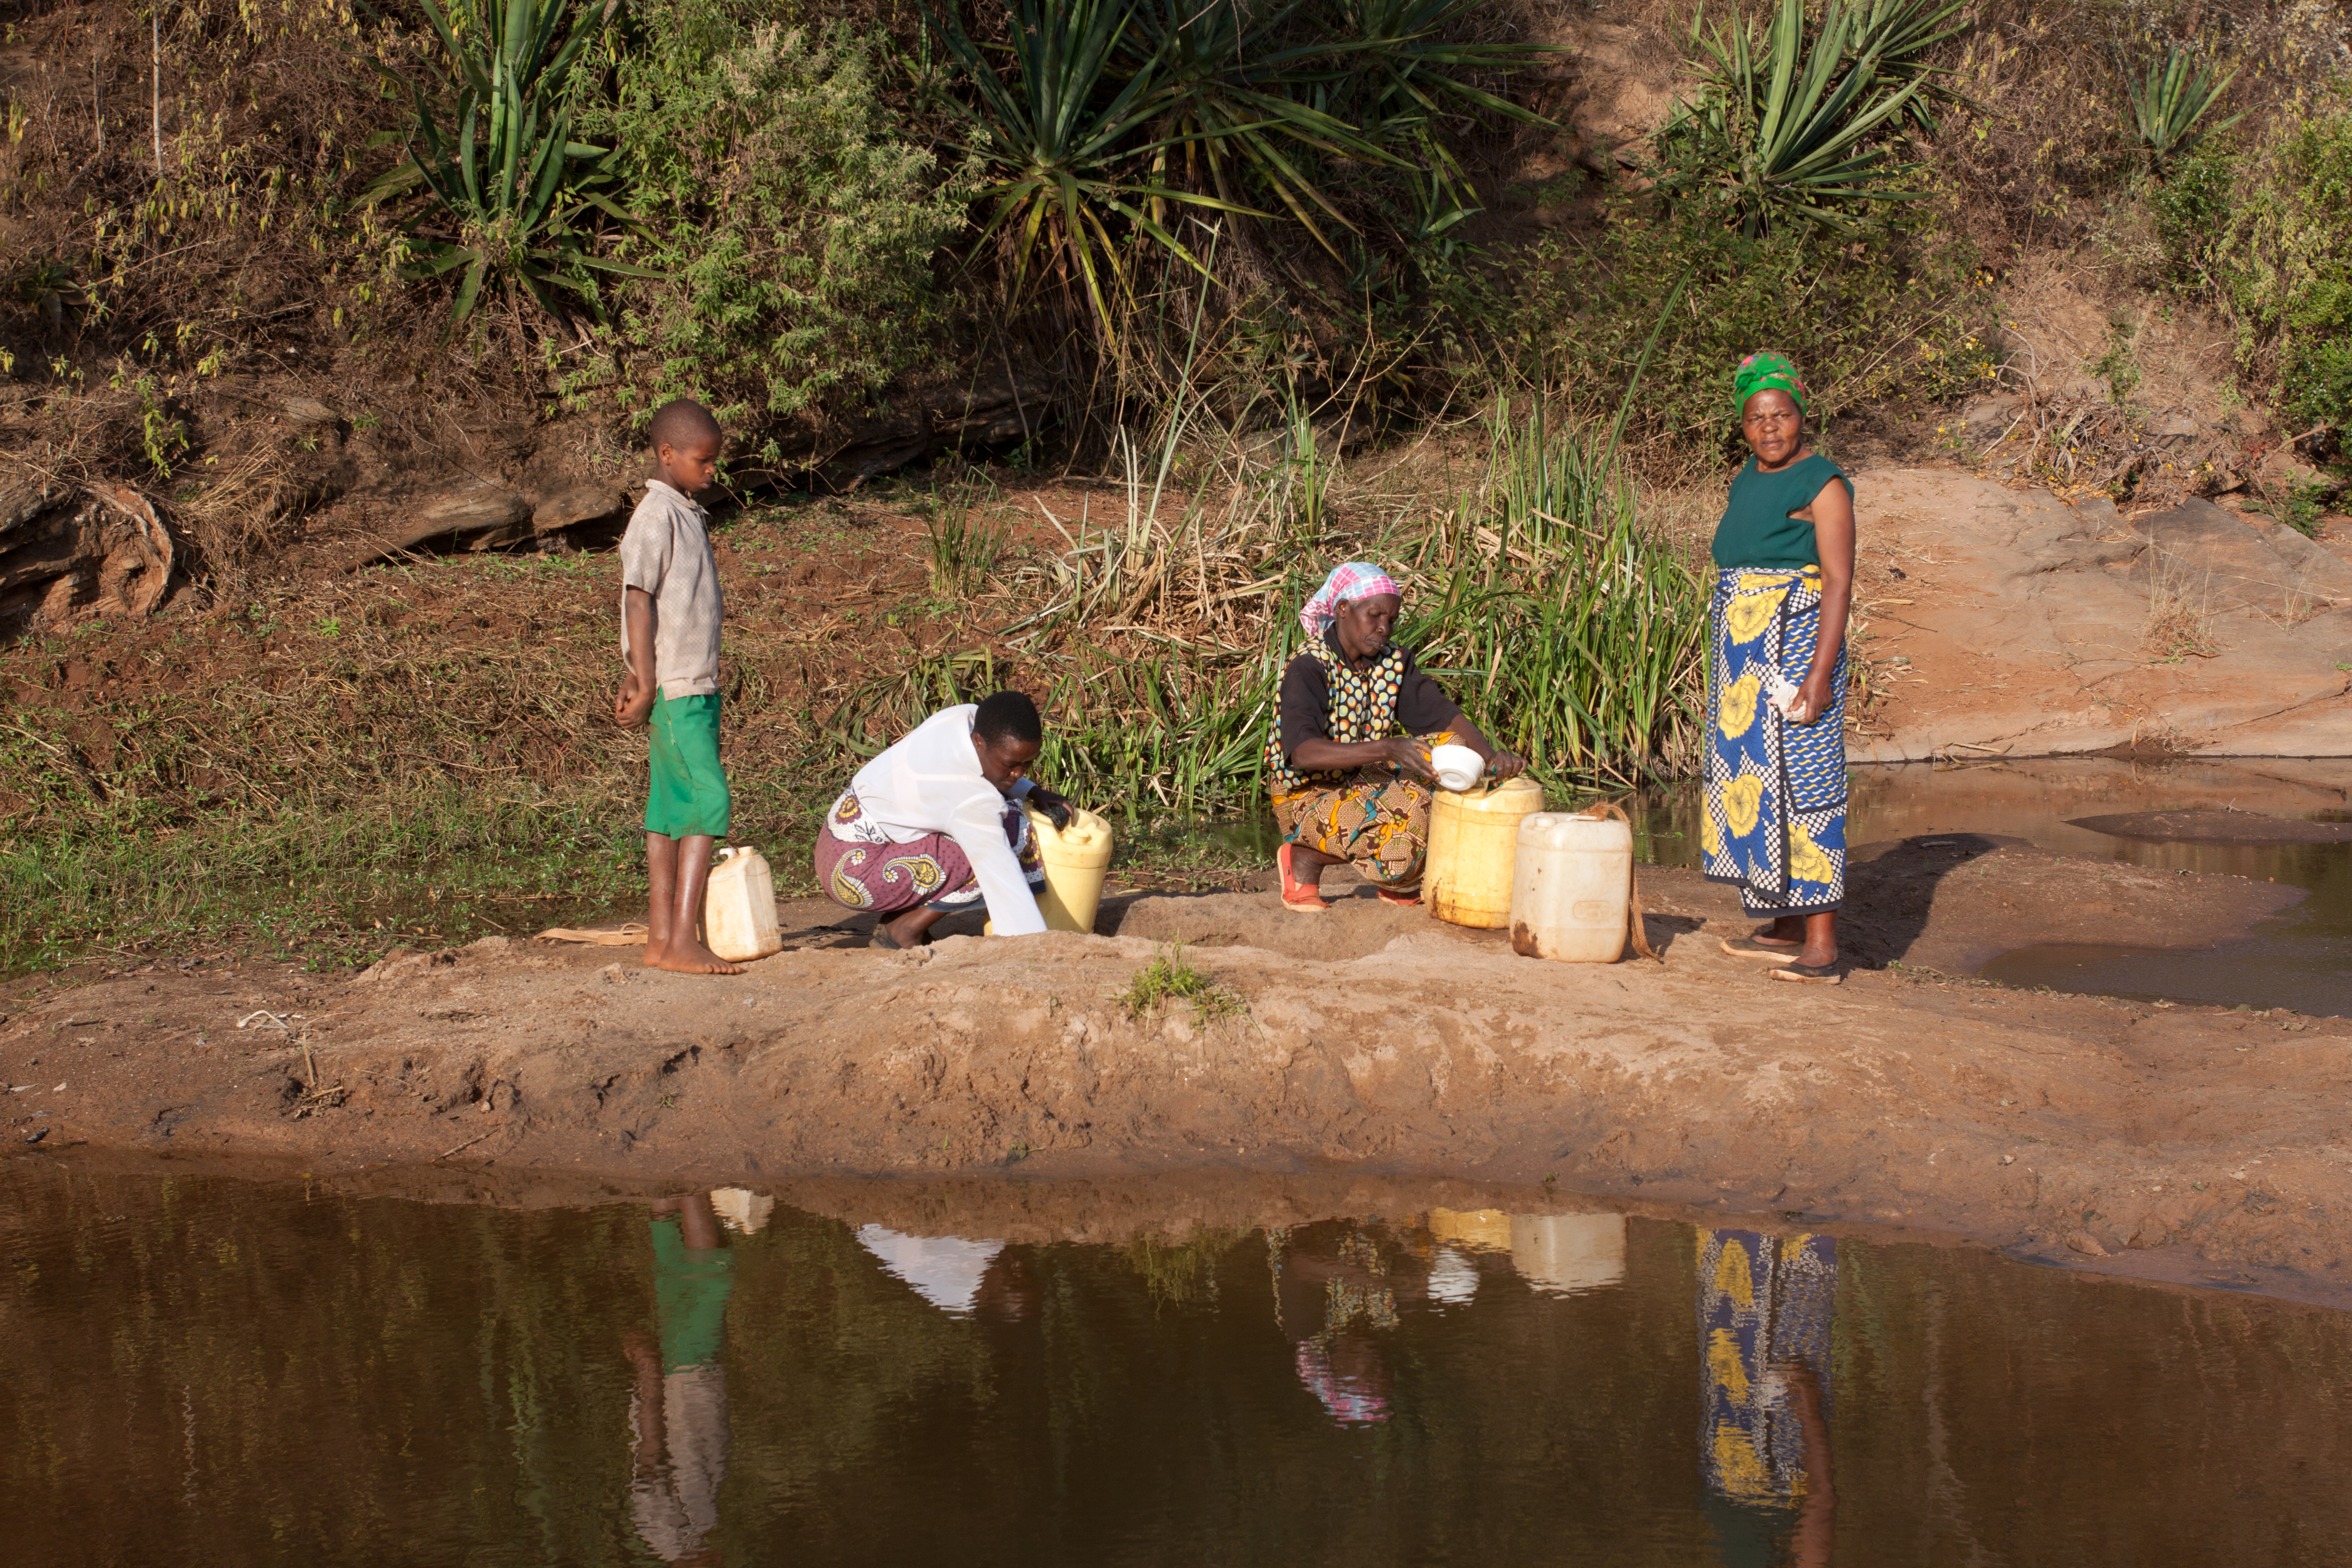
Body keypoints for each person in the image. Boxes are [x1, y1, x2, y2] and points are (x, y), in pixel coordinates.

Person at [1704, 353, 1857, 984]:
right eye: (1756, 419)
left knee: (1805, 782)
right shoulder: (1747, 478)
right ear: (1743, 428)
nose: (1770, 428)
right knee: (1755, 782)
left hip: (1795, 651)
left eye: (1781, 415)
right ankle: (1785, 923)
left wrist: (1819, 676)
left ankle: (1821, 943)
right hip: (1745, 657)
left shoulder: (1822, 482)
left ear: (1802, 417)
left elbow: (1840, 583)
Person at [1263, 561, 1525, 913]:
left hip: (1357, 781)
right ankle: (1303, 857)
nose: (1384, 628)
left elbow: (1444, 717)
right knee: (1409, 826)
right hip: (1305, 795)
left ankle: (1403, 880)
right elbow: (1304, 754)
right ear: (1343, 610)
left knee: (1455, 754)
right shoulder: (1308, 667)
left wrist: (1492, 760)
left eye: (1391, 620)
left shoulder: (1393, 664)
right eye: (1374, 616)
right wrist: (1388, 747)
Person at [613, 398, 740, 976]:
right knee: (709, 800)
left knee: (668, 812)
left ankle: (662, 942)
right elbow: (637, 601)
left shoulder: (685, 510)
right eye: (702, 460)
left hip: (693, 686)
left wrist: (641, 674)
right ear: (667, 455)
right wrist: (641, 681)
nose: (711, 470)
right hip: (677, 691)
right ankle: (684, 939)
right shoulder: (654, 516)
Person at [816, 689, 1079, 949]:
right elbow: (1002, 877)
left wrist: (1033, 790)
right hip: (856, 876)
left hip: (837, 838)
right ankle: (904, 929)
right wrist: (1034, 948)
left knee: (1004, 810)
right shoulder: (970, 799)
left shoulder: (963, 718)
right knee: (1015, 832)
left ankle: (903, 917)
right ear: (979, 742)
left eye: (1028, 763)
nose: (1019, 773)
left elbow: (993, 773)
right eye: (1011, 764)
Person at [625, 1191, 736, 1566]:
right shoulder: (675, 1534)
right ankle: (661, 1187)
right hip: (683, 1377)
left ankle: (691, 1184)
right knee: (675, 1279)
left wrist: (648, 1372)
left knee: (710, 1280)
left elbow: (650, 1457)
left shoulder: (680, 1531)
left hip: (690, 1380)